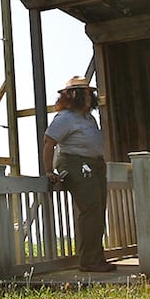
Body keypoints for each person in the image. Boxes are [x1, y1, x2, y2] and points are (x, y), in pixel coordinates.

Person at [42, 75, 113, 272]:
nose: (90, 98)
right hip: (76, 163)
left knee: (98, 211)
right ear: (74, 96)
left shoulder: (89, 118)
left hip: (94, 164)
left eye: (91, 94)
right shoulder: (65, 118)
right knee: (90, 210)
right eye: (85, 94)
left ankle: (97, 258)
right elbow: (49, 142)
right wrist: (48, 170)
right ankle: (89, 261)